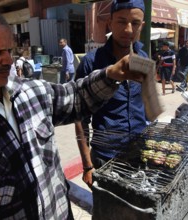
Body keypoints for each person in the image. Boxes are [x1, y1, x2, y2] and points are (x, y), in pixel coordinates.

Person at [0, 4, 146, 219]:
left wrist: (113, 73)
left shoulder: (30, 91)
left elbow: (76, 98)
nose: (8, 60)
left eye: (9, 49)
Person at [74, 0, 148, 188]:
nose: (129, 30)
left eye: (135, 23)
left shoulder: (144, 59)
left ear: (142, 26)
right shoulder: (91, 63)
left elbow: (147, 105)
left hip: (139, 154)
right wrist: (87, 166)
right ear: (110, 22)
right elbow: (80, 119)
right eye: (122, 21)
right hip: (105, 158)